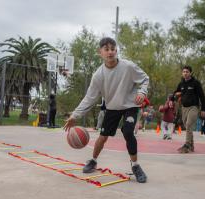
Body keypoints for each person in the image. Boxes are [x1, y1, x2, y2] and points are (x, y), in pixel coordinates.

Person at [63, 37, 149, 183]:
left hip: (130, 105)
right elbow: (89, 98)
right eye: (106, 49)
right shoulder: (98, 75)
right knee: (103, 137)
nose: (110, 52)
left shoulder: (128, 66)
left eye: (112, 49)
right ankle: (93, 160)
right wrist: (75, 115)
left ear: (116, 51)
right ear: (100, 52)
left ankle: (135, 166)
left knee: (128, 132)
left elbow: (144, 78)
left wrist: (142, 92)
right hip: (113, 107)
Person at [173, 65, 205, 153]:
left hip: (194, 107)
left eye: (187, 72)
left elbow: (202, 96)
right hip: (184, 108)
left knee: (188, 125)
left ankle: (187, 145)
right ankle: (191, 144)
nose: (185, 73)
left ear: (190, 73)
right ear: (182, 73)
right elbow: (175, 93)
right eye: (184, 72)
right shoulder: (181, 83)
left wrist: (204, 109)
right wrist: (171, 99)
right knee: (188, 126)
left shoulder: (195, 83)